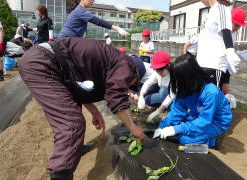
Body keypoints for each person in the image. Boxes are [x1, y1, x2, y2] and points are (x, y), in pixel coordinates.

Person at [19, 37, 146, 179]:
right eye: (132, 83)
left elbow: (81, 86)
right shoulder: (126, 64)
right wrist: (133, 127)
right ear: (135, 74)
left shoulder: (113, 61)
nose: (129, 86)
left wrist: (94, 111)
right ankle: (60, 174)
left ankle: (74, 149)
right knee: (71, 123)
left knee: (72, 108)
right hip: (43, 63)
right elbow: (116, 96)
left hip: (48, 63)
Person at [153, 54, 232, 148]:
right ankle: (204, 135)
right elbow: (177, 111)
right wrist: (162, 127)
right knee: (178, 126)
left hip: (216, 121)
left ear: (188, 77)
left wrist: (176, 129)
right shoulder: (185, 87)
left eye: (179, 79)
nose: (177, 82)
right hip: (198, 115)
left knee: (184, 139)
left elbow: (205, 120)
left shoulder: (211, 92)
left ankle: (214, 139)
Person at [197, 0, 241, 89]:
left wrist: (230, 52)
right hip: (202, 64)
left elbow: (226, 30)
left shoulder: (221, 7)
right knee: (201, 98)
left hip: (213, 65)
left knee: (211, 99)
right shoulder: (212, 10)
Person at [59, 0, 129, 38]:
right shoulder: (80, 11)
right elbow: (98, 21)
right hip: (67, 41)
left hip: (67, 40)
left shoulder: (78, 9)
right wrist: (117, 28)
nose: (94, 1)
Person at [138, 51, 174, 122]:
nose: (159, 72)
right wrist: (141, 95)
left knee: (163, 90)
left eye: (161, 70)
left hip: (175, 97)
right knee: (147, 99)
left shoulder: (174, 74)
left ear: (168, 66)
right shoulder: (157, 73)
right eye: (157, 70)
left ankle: (171, 112)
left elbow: (172, 95)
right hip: (164, 96)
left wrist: (159, 110)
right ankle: (165, 107)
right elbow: (148, 83)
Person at [220, 8, 247, 95]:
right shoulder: (220, 30)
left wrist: (237, 53)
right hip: (217, 62)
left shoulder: (234, 33)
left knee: (225, 90)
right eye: (235, 25)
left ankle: (218, 104)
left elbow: (229, 47)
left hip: (226, 64)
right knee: (213, 87)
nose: (236, 28)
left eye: (239, 26)